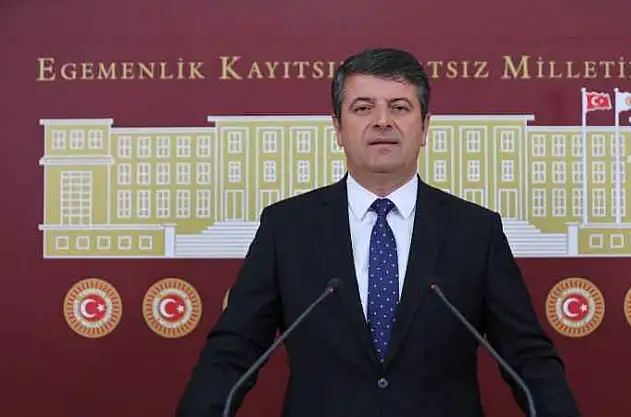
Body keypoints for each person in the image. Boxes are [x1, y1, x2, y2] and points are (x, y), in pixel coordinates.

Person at [175, 47, 581, 417]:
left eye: (400, 107)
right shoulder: (288, 227)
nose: (382, 121)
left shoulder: (475, 230)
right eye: (363, 108)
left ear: (425, 127)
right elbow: (233, 352)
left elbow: (527, 357)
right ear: (338, 128)